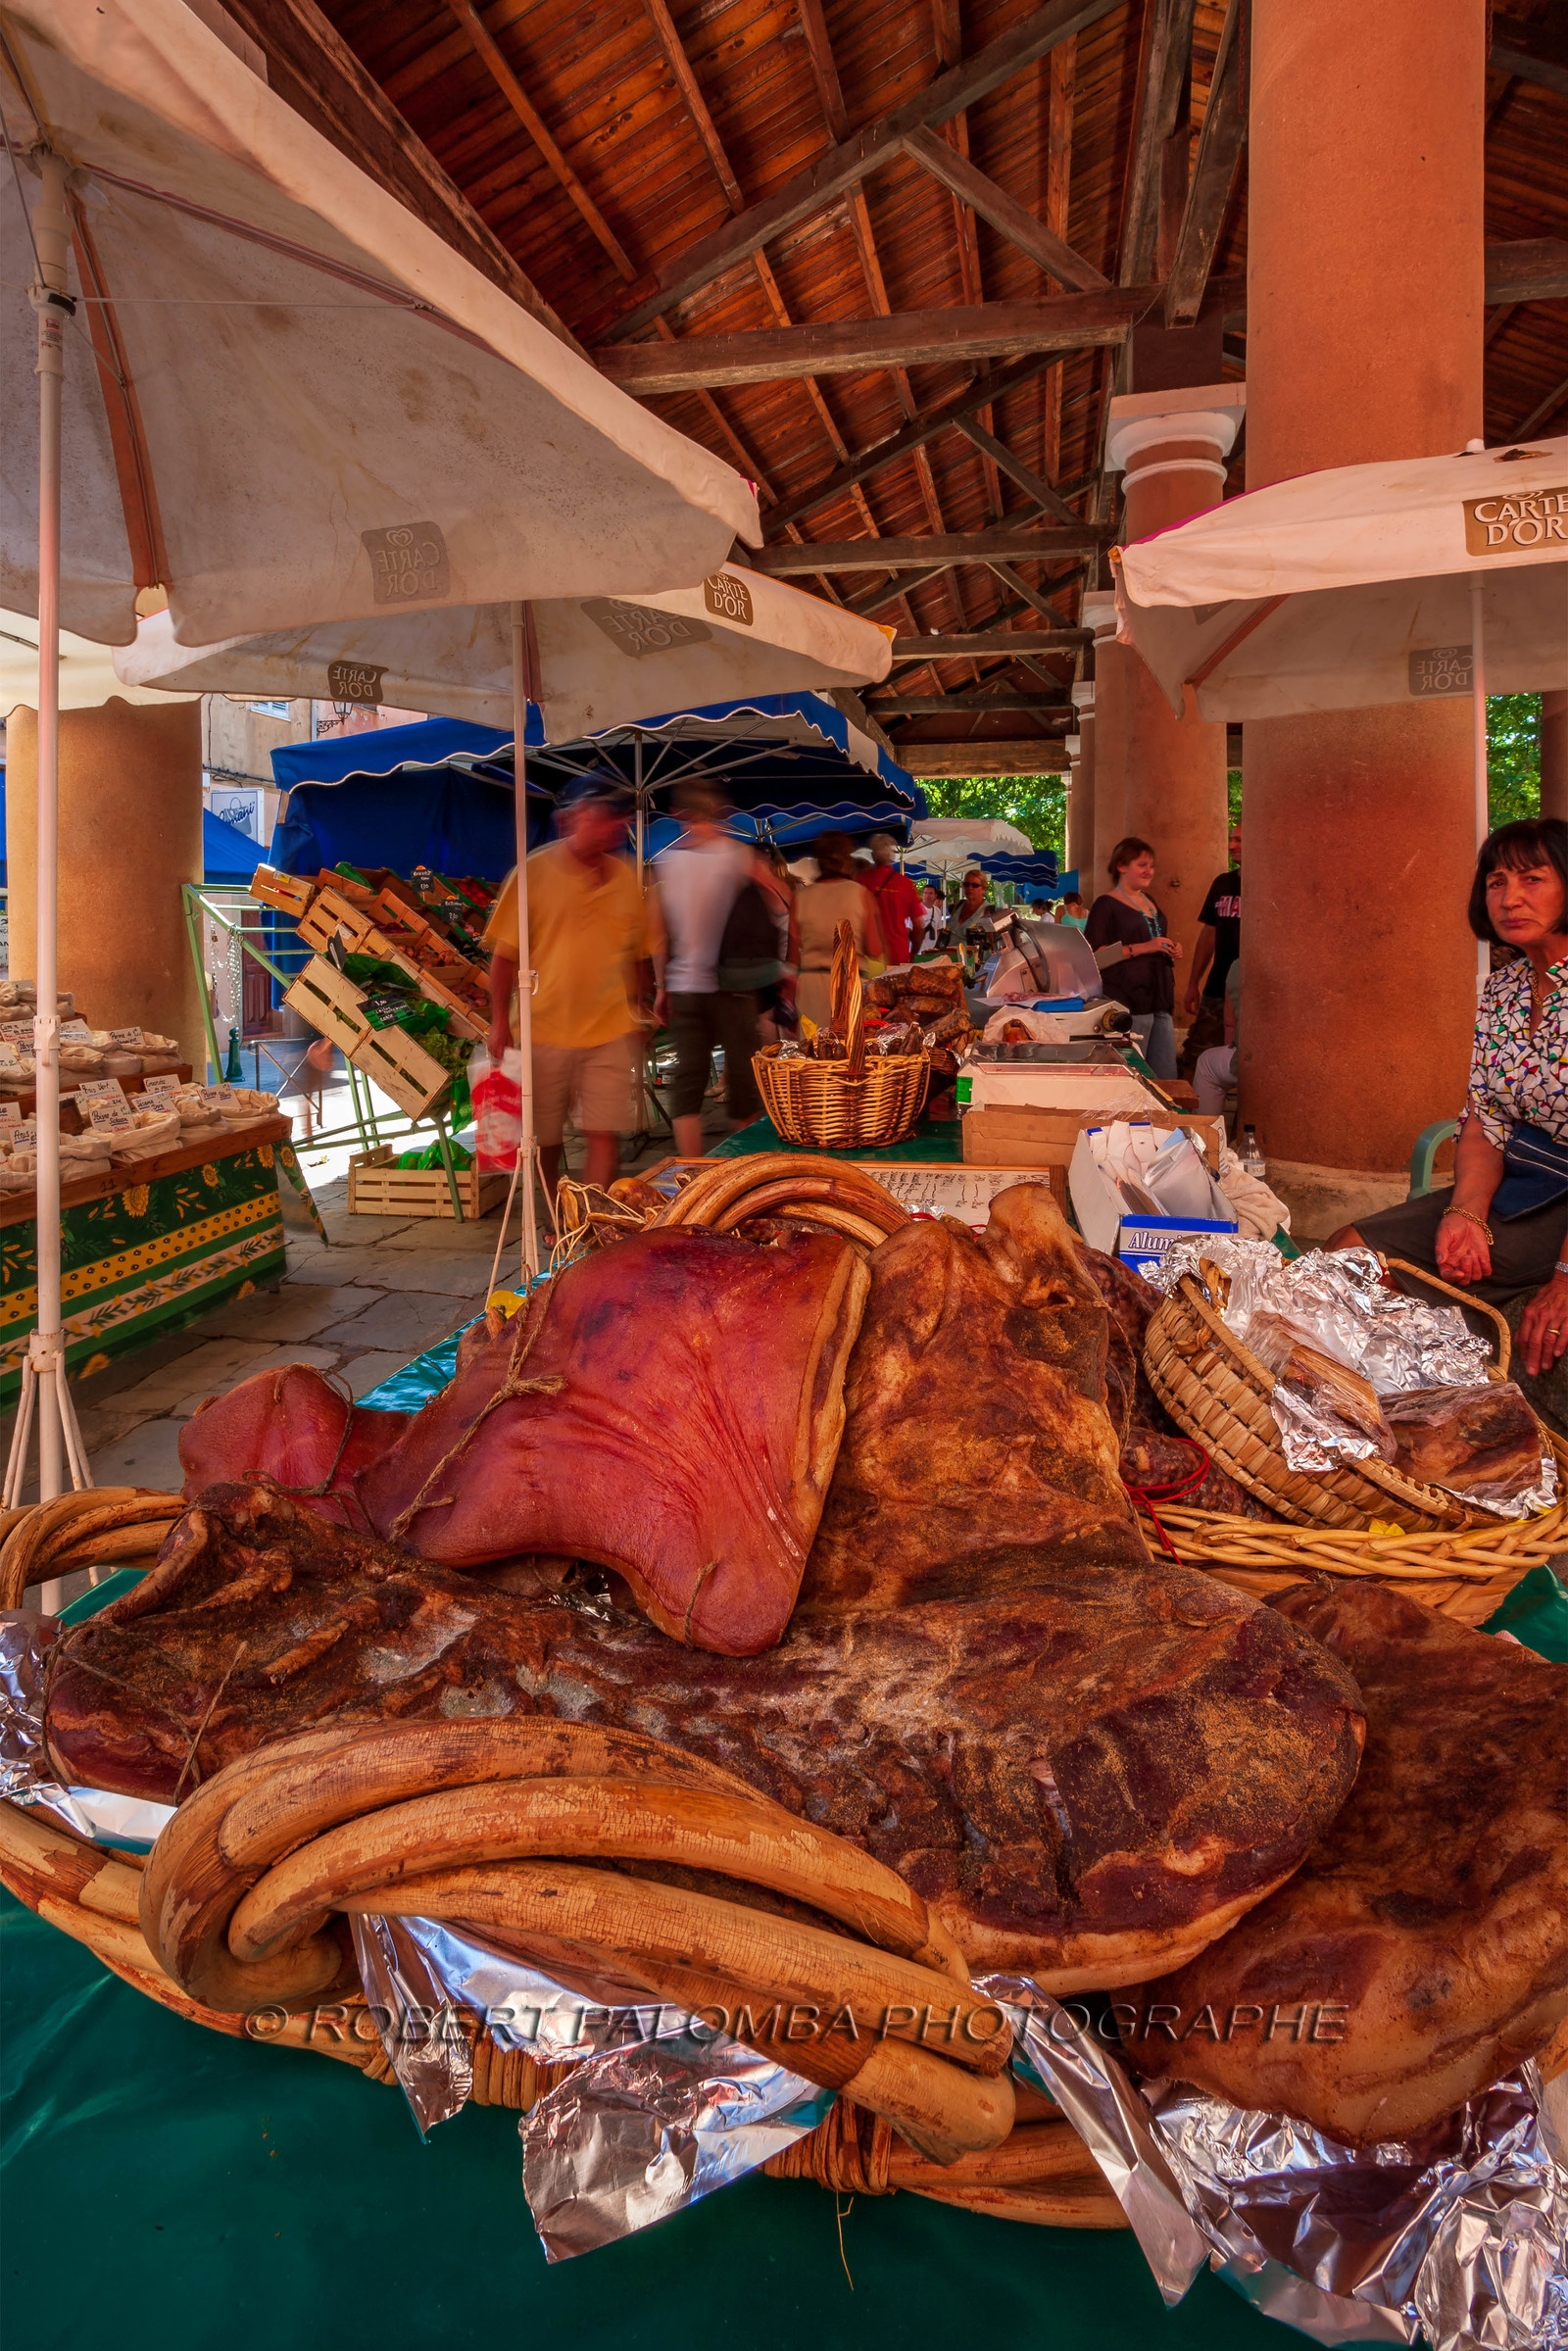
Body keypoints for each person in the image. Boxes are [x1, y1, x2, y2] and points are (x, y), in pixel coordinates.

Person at [1330, 817, 1568, 1378]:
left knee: (1396, 1283)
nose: (1509, 898)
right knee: (1347, 1254)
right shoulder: (1504, 989)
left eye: (1533, 879)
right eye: (1496, 881)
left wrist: (1564, 1280)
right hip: (1522, 1184)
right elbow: (1485, 1117)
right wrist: (1465, 1212)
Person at [485, 772, 649, 1212]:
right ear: (573, 819)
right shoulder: (533, 874)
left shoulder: (626, 879)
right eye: (605, 817)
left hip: (610, 1029)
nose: (615, 827)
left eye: (619, 820)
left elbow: (638, 954)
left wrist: (642, 1008)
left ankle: (591, 1217)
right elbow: (503, 959)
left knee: (604, 1131)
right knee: (546, 1138)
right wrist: (499, 1022)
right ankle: (558, 1214)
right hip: (545, 1029)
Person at [651, 778, 791, 1161]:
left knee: (688, 1084)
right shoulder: (736, 855)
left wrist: (662, 988)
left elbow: (659, 936)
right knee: (743, 1086)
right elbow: (782, 902)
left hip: (685, 987)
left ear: (677, 814)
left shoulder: (666, 862)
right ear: (719, 812)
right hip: (735, 986)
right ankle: (738, 1172)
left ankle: (691, 1171)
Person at [1084, 836, 1182, 1079]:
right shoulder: (1105, 905)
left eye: (1151, 865)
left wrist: (1170, 948)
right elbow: (1095, 956)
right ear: (1121, 866)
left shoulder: (1151, 902)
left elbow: (1155, 939)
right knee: (1135, 1076)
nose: (1149, 871)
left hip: (1159, 998)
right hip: (1129, 1001)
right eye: (1142, 865)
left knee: (1165, 1077)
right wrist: (1145, 947)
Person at [794, 830, 886, 1029]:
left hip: (811, 986)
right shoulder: (861, 895)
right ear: (846, 860)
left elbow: (793, 953)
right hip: (849, 984)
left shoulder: (801, 897)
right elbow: (875, 949)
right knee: (849, 1050)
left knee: (812, 1051)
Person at [1181, 823, 1243, 1077]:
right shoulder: (1223, 883)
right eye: (1231, 839)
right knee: (1196, 1057)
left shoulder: (1272, 885)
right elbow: (1209, 935)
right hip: (1217, 989)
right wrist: (1193, 982)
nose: (1231, 846)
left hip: (1253, 995)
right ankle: (1191, 1115)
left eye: (1239, 840)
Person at [859, 832, 922, 967]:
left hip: (869, 957)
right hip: (899, 954)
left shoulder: (861, 881)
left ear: (873, 855)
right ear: (892, 856)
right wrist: (913, 953)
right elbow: (919, 926)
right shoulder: (905, 884)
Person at [1193, 956, 1242, 1115]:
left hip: (1257, 1060)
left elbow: (1230, 1024)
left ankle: (1206, 1133)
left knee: (1206, 1063)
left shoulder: (1240, 964)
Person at [916, 881, 946, 955]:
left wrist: (938, 947)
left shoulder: (937, 911)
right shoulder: (915, 910)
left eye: (930, 893)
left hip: (932, 951)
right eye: (925, 893)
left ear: (935, 896)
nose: (928, 895)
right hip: (919, 952)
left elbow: (938, 930)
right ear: (922, 895)